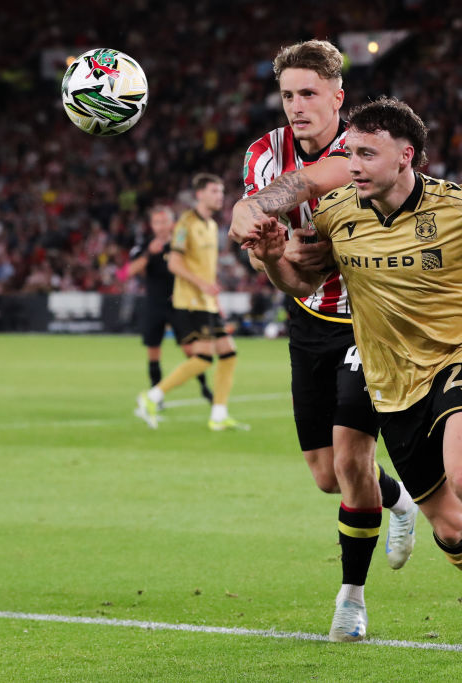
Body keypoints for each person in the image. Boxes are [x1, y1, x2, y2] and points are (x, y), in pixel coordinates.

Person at [249, 97, 462, 661]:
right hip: (388, 375)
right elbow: (298, 282)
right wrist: (270, 258)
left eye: (366, 152)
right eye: (349, 153)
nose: (353, 163)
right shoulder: (337, 213)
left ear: (405, 155)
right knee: (449, 528)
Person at [230, 40, 417, 642]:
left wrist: (254, 207)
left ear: (338, 96)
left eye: (309, 93)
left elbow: (314, 180)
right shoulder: (262, 154)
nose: (297, 106)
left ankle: (351, 601)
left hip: (372, 319)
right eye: (288, 95)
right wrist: (274, 256)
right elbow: (285, 275)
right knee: (325, 475)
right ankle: (399, 501)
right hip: (311, 320)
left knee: (351, 458)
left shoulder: (362, 147)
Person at [135, 174, 247, 430]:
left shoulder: (211, 225)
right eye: (214, 192)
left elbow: (205, 266)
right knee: (204, 359)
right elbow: (174, 263)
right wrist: (202, 285)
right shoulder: (185, 223)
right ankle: (152, 396)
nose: (220, 196)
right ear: (199, 195)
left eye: (221, 192)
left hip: (207, 301)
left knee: (228, 354)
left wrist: (212, 292)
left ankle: (218, 415)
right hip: (191, 302)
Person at [124, 206, 212, 407]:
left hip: (178, 304)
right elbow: (129, 271)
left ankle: (205, 388)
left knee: (190, 350)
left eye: (164, 222)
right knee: (153, 351)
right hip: (154, 304)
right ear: (152, 225)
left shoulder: (180, 244)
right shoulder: (143, 246)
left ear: (172, 224)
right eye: (157, 222)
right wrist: (148, 253)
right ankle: (157, 396)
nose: (161, 226)